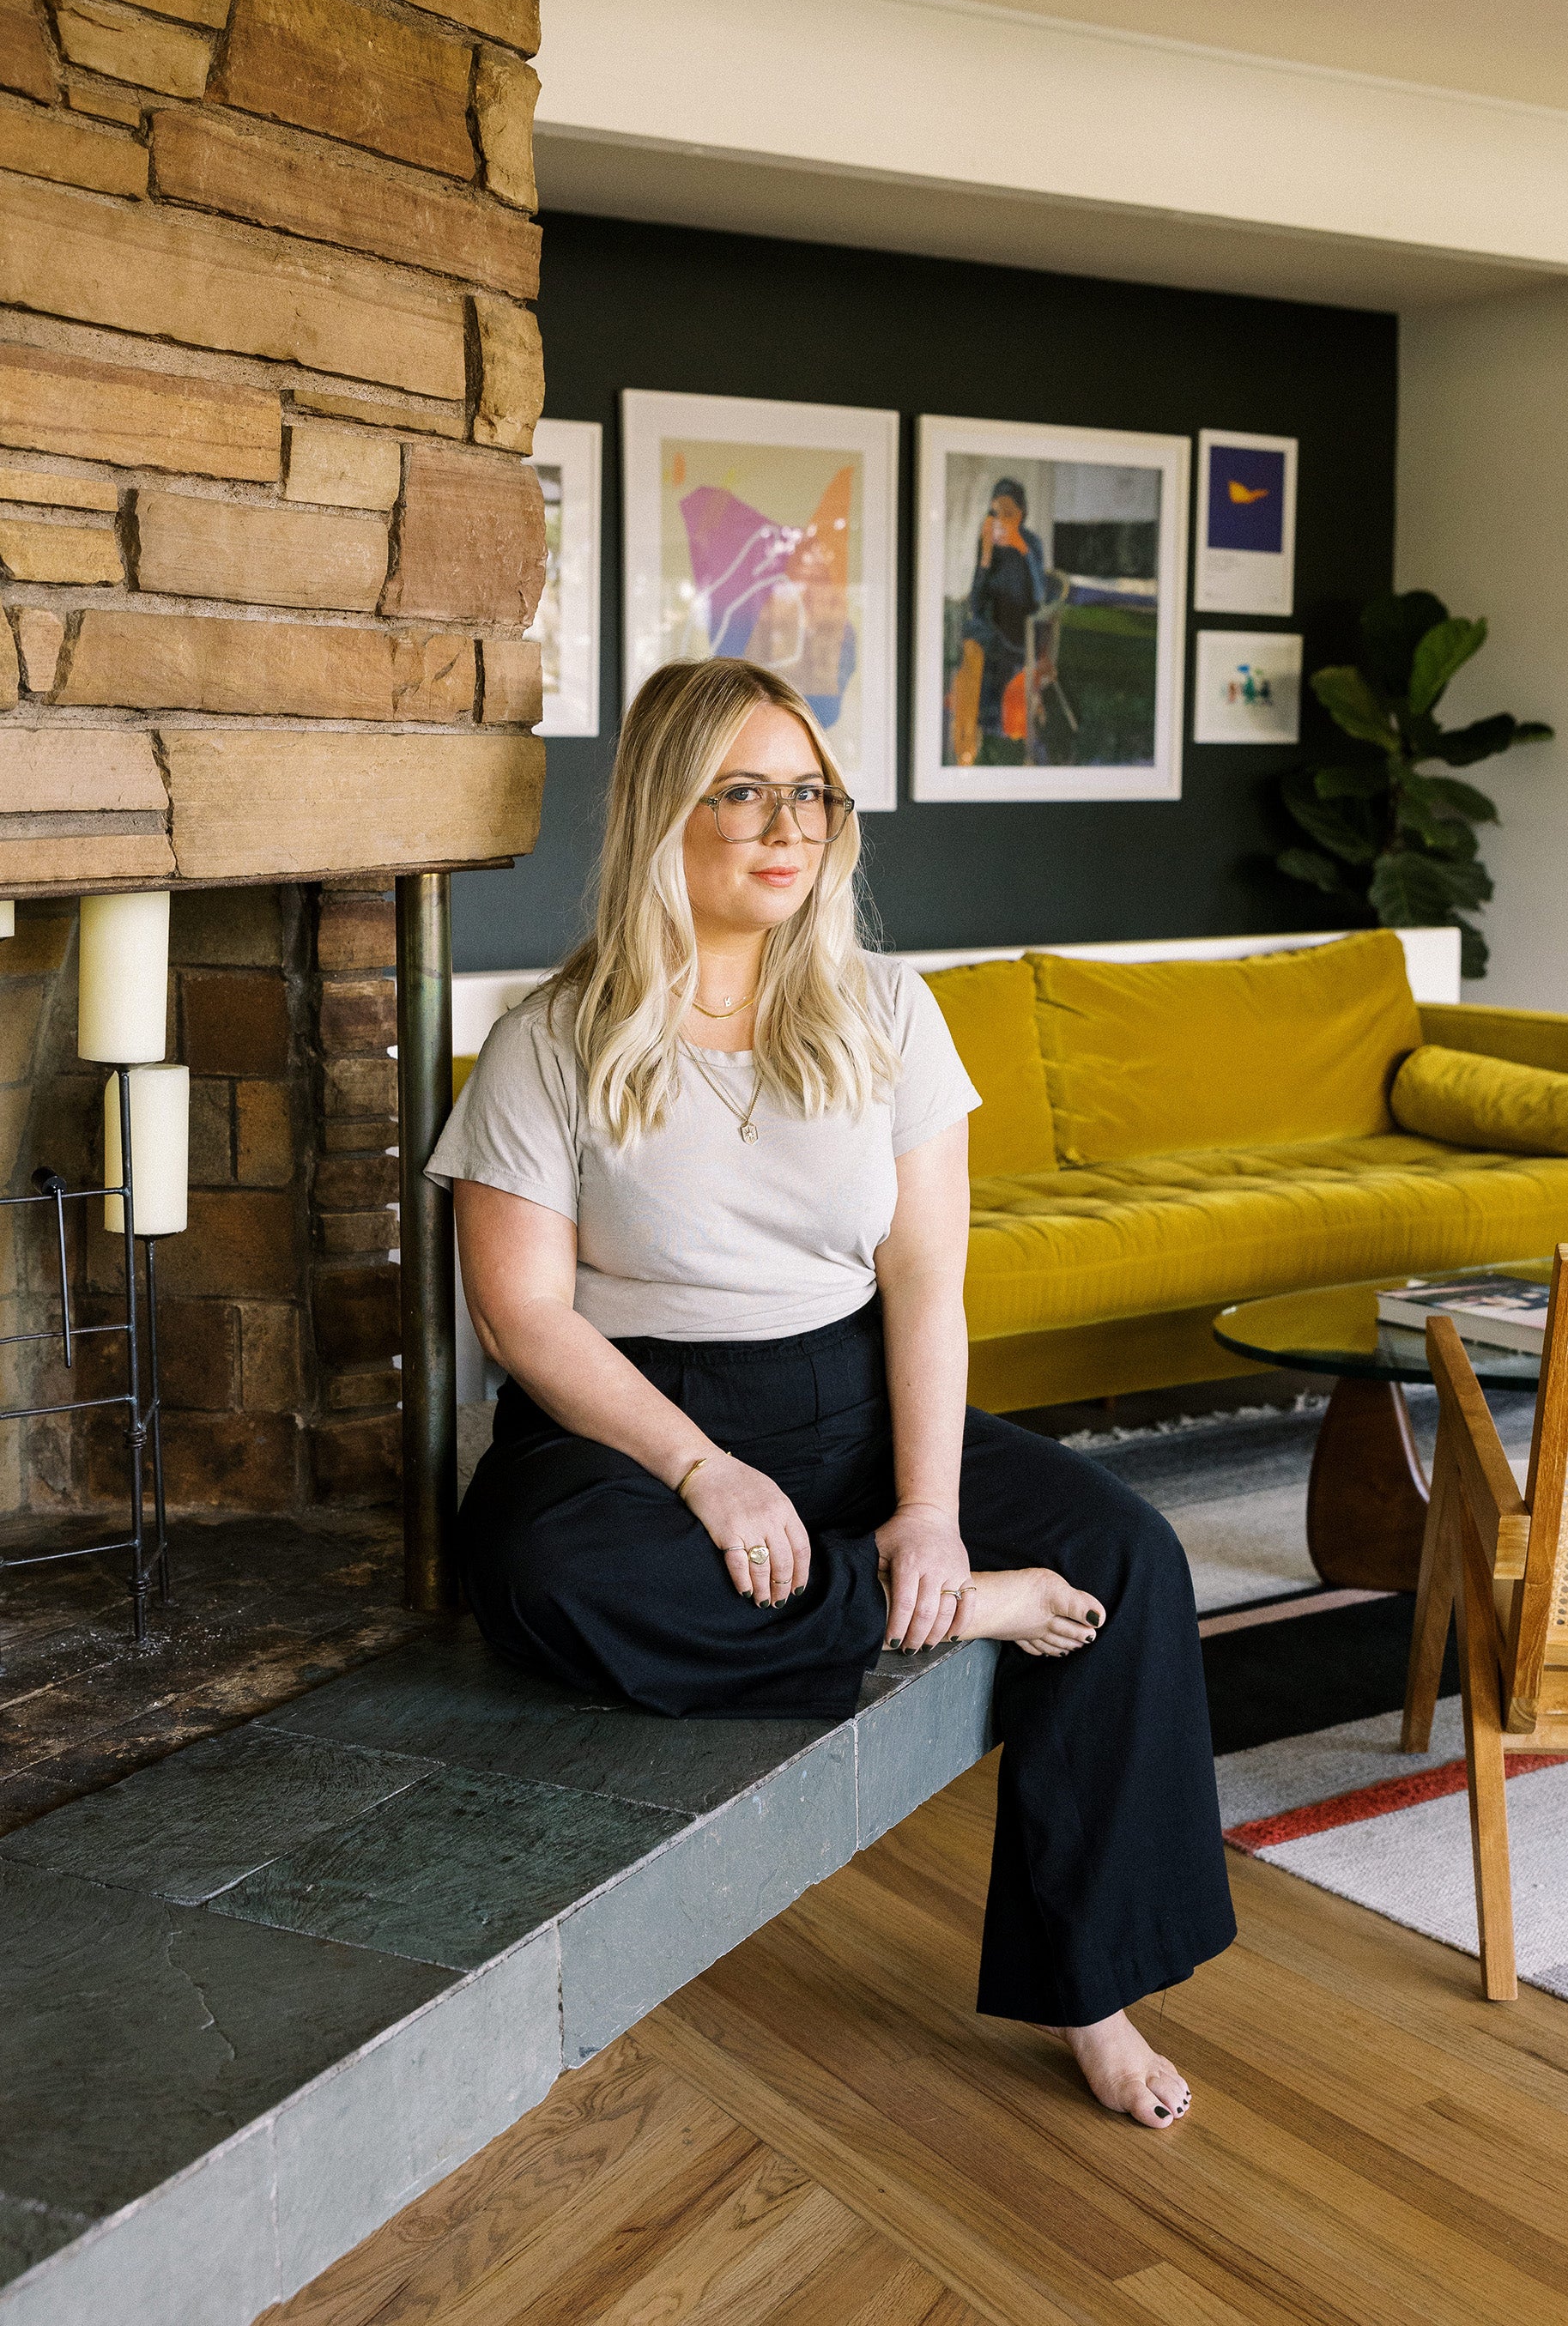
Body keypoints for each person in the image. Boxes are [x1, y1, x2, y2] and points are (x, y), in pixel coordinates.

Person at [428, 656, 1235, 2128]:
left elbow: (924, 1275)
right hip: (629, 1417)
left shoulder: (887, 1011)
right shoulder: (549, 1039)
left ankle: (1091, 1988)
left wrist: (928, 1507)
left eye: (808, 793)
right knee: (541, 1572)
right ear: (663, 811)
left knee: (1129, 1553)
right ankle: (947, 1612)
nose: (785, 824)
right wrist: (702, 1470)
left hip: (848, 1394)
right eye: (742, 790)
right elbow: (522, 1314)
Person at [951, 477, 1049, 764]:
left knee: (973, 642)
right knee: (971, 643)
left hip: (1022, 634)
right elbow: (976, 602)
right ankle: (968, 737)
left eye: (1009, 513)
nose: (1002, 520)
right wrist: (985, 557)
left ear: (1022, 514)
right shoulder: (990, 544)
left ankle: (971, 740)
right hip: (991, 631)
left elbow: (1040, 597)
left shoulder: (1031, 543)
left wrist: (1022, 549)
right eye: (996, 513)